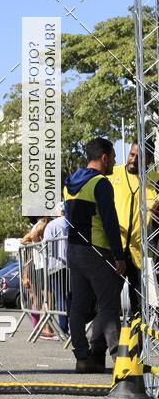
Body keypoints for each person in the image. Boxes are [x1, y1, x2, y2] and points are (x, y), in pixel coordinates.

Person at [64, 137, 126, 373]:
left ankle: (83, 358)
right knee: (109, 306)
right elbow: (110, 222)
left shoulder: (69, 183)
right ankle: (120, 362)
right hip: (97, 250)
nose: (114, 163)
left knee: (78, 306)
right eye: (113, 157)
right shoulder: (101, 184)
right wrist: (119, 256)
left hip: (73, 250)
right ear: (104, 157)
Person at [109, 141, 159, 318]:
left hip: (140, 253)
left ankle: (139, 343)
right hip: (115, 249)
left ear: (149, 159)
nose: (133, 160)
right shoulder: (113, 173)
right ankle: (105, 343)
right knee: (108, 300)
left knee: (139, 302)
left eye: (139, 157)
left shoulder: (155, 179)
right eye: (132, 154)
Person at [20, 217, 56, 339]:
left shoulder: (38, 225)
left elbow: (26, 246)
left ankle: (36, 327)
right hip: (41, 266)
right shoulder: (42, 224)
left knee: (38, 299)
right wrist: (36, 241)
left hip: (38, 266)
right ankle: (46, 328)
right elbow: (25, 241)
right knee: (48, 297)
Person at [43, 204, 69, 334]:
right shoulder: (72, 223)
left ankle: (63, 329)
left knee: (60, 298)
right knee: (71, 297)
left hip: (55, 265)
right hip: (71, 265)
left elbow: (46, 246)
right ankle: (74, 327)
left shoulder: (51, 225)